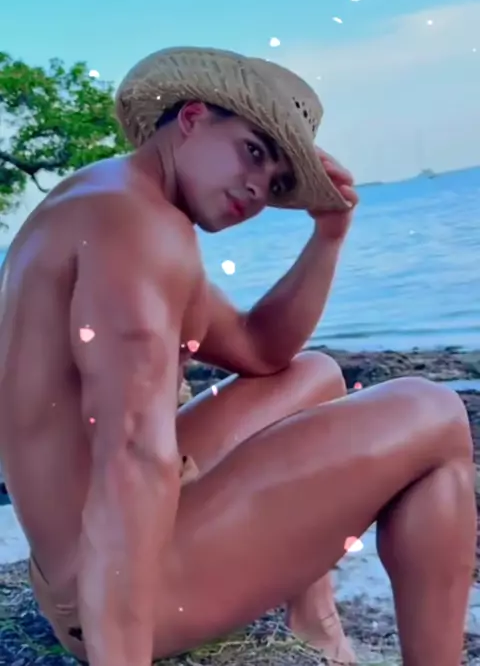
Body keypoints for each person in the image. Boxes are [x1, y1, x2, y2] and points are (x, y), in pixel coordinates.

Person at [0, 46, 475, 666]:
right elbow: (133, 451)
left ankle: (316, 623)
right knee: (435, 412)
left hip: (73, 562)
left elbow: (260, 349)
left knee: (315, 375)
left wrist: (328, 238)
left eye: (276, 182)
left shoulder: (111, 194)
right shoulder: (140, 228)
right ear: (193, 118)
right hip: (114, 588)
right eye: (253, 151)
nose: (257, 189)